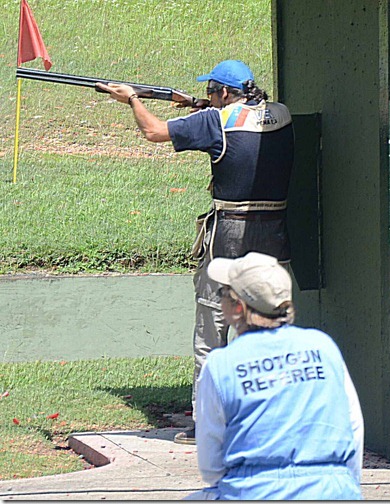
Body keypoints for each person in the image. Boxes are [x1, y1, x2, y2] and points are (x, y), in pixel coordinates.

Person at [96, 60, 294, 445]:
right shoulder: (281, 115)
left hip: (230, 238)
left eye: (211, 92)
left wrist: (133, 99)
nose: (208, 97)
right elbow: (244, 126)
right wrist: (201, 109)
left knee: (211, 335)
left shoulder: (214, 123)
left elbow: (153, 131)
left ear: (222, 92)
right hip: (274, 236)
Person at [188, 251, 363, 500]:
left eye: (222, 294)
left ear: (238, 307)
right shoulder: (324, 347)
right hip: (335, 489)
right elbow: (354, 428)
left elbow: (211, 468)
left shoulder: (219, 365)